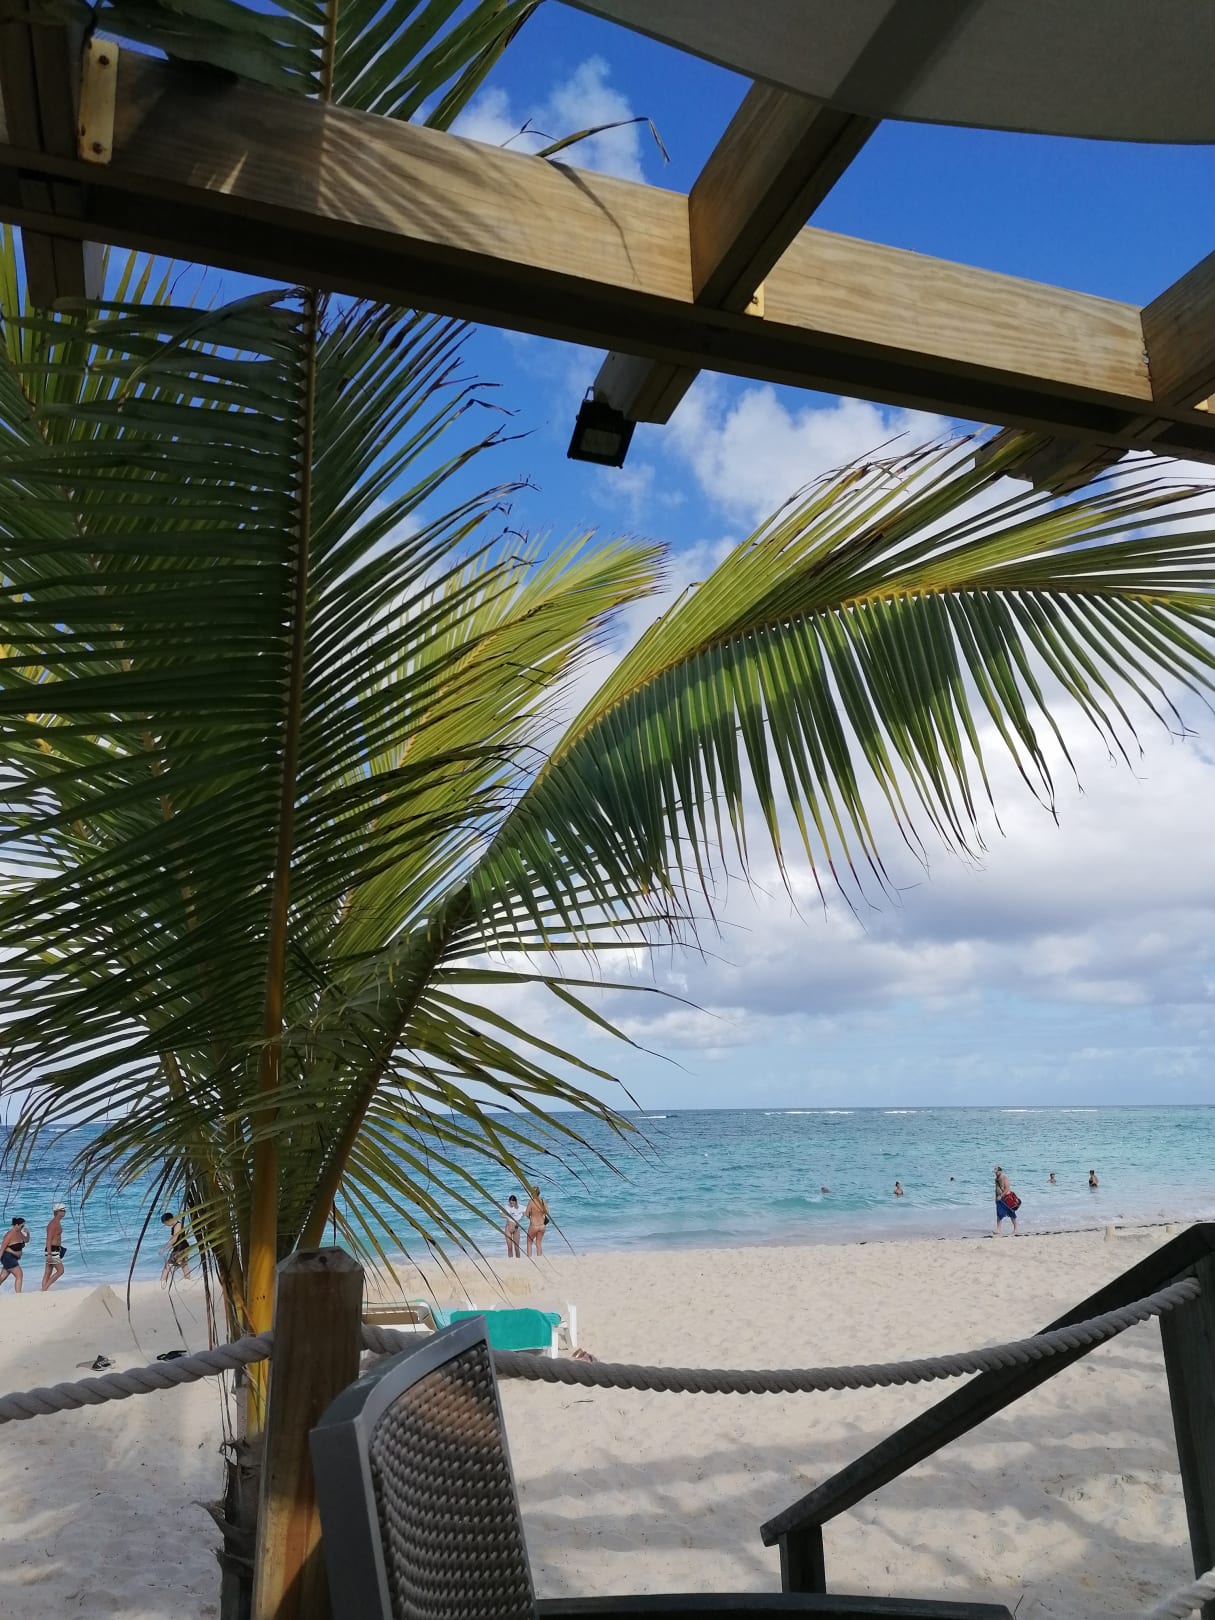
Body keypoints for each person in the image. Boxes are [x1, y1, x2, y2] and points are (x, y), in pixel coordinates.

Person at [0, 1215, 29, 1292]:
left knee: (3, 1276)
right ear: (16, 1225)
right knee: (19, 1275)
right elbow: (2, 1248)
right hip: (8, 1257)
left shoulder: (19, 1233)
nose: (23, 1227)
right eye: (22, 1226)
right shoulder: (9, 1235)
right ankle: (18, 1295)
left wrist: (28, 1233)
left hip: (13, 1258)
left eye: (23, 1226)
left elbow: (26, 1240)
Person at [42, 1203, 67, 1291]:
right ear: (57, 1212)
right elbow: (48, 1239)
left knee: (48, 1271)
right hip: (52, 1250)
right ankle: (44, 1288)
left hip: (54, 1249)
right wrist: (49, 1254)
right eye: (63, 1210)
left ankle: (43, 1290)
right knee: (60, 1271)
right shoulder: (53, 1224)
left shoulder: (57, 1222)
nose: (65, 1212)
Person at [160, 1211, 190, 1283]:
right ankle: (188, 1280)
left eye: (165, 1223)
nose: (166, 1225)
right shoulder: (175, 1226)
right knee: (184, 1265)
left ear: (169, 1220)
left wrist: (164, 1249)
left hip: (181, 1248)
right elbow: (173, 1239)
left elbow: (174, 1239)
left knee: (168, 1265)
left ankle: (162, 1281)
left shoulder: (177, 1225)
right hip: (181, 1247)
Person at [525, 1185, 548, 1258]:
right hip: (542, 1225)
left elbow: (526, 1214)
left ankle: (530, 1259)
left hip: (534, 1225)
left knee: (529, 1242)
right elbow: (547, 1212)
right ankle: (539, 1259)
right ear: (539, 1193)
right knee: (539, 1243)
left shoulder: (531, 1202)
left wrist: (531, 1216)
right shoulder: (543, 1201)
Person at [994, 1166, 1018, 1235]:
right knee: (999, 1214)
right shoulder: (996, 1179)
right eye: (995, 1172)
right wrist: (995, 1198)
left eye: (997, 1171)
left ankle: (1015, 1229)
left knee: (1011, 1213)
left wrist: (1001, 1195)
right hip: (999, 1198)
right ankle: (998, 1230)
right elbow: (996, 1189)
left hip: (1006, 1197)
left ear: (1000, 1171)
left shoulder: (1004, 1177)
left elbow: (1007, 1188)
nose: (996, 1173)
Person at [504, 1194, 522, 1259]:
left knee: (517, 1247)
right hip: (508, 1228)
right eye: (510, 1203)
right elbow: (501, 1214)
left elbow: (527, 1212)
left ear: (515, 1201)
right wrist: (505, 1215)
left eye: (513, 1202)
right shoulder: (506, 1207)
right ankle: (511, 1260)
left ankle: (518, 1260)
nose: (511, 1204)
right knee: (509, 1247)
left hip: (516, 1229)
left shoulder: (520, 1207)